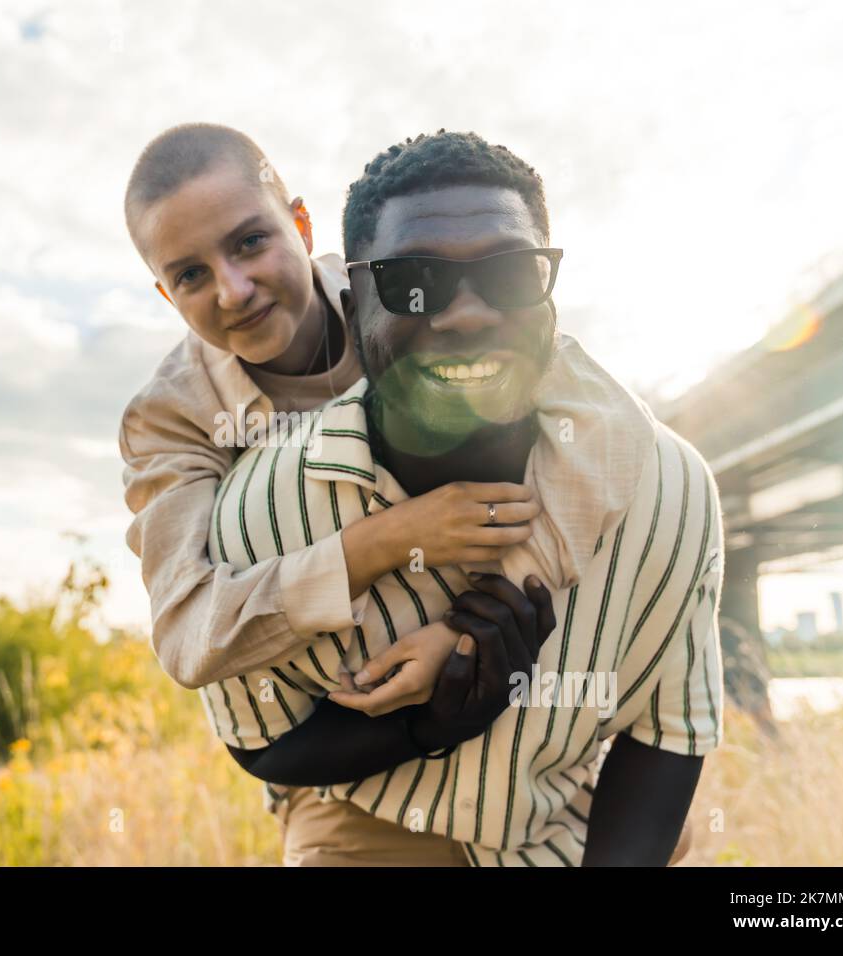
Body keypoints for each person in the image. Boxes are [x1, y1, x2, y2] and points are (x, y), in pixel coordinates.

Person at [197, 130, 724, 866]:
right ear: (355, 302)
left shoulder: (667, 490)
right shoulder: (258, 514)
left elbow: (666, 733)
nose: (468, 314)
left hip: (570, 814)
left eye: (509, 276)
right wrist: (426, 728)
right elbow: (262, 742)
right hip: (365, 815)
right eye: (416, 283)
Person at [119, 122, 539, 703]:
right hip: (326, 705)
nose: (234, 290)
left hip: (499, 637)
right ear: (168, 295)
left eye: (249, 243)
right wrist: (386, 541)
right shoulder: (168, 417)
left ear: (302, 225)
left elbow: (536, 380)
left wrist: (461, 635)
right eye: (191, 275)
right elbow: (188, 632)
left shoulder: (393, 281)